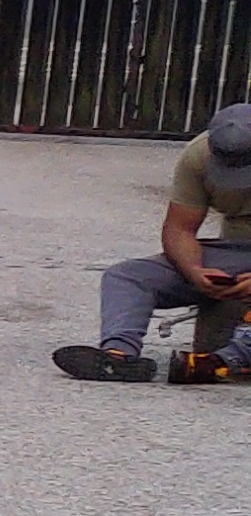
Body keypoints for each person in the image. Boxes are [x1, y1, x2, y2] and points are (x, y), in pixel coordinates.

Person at [58, 102, 251, 383]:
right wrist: (194, 271)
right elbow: (179, 229)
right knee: (127, 276)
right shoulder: (199, 155)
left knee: (211, 347)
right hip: (236, 249)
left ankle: (227, 359)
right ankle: (118, 355)